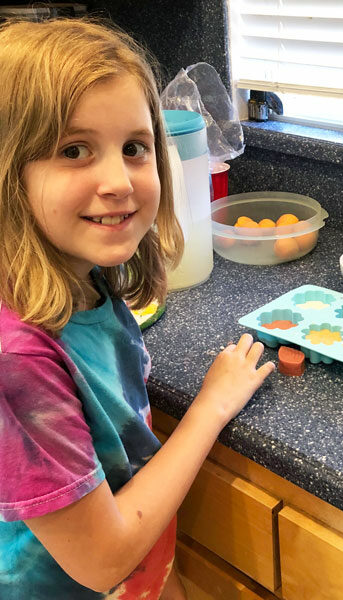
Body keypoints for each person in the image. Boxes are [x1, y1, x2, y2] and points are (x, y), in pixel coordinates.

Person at [0, 17, 275, 600]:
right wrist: (211, 406)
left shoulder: (87, 281)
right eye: (74, 150)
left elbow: (125, 463)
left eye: (134, 147)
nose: (119, 181)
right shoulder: (17, 356)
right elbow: (101, 560)